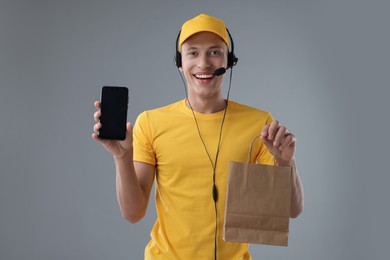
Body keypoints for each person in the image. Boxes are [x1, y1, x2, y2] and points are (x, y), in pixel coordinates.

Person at [92, 13, 303, 260]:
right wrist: (122, 158)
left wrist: (287, 163)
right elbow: (133, 213)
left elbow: (291, 210)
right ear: (179, 63)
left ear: (230, 60)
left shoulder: (260, 124)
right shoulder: (151, 122)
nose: (203, 63)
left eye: (214, 52)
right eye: (192, 53)